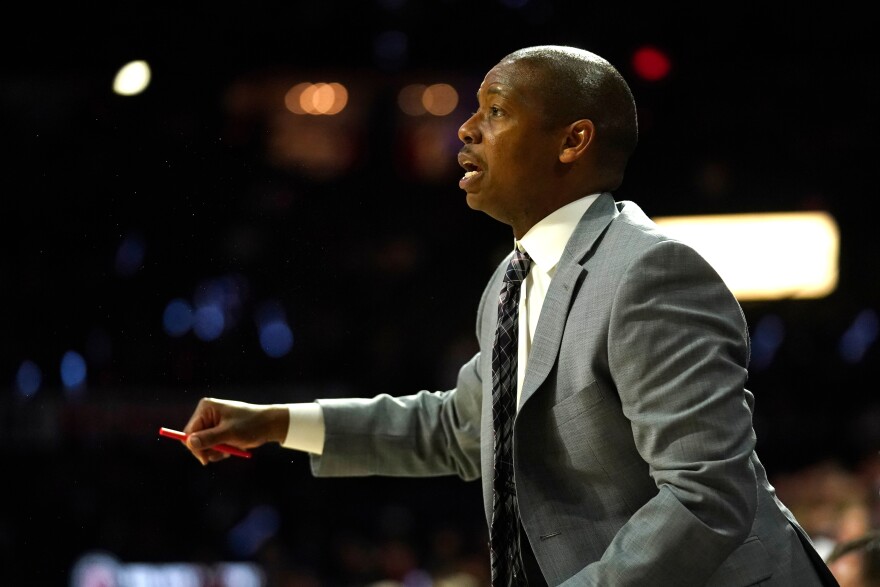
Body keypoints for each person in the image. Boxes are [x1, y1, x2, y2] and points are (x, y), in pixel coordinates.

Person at [179, 45, 839, 586]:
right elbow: (460, 427)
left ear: (572, 140)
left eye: (494, 111)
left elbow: (707, 496)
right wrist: (278, 422)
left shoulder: (649, 273)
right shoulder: (509, 281)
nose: (466, 129)